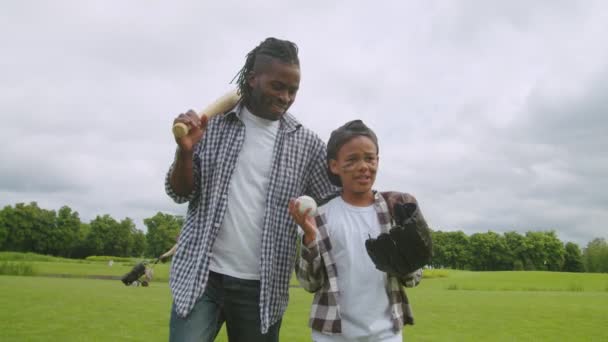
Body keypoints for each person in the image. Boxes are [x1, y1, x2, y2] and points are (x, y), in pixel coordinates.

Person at [165, 37, 337, 342]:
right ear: (253, 79)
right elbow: (180, 192)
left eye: (293, 90)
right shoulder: (213, 126)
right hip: (201, 279)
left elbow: (337, 199)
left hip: (262, 289)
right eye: (277, 86)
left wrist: (380, 202)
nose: (285, 97)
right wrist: (186, 152)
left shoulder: (307, 144)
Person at [289, 120, 425, 341]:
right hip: (331, 336)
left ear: (377, 161)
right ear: (334, 165)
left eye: (370, 158)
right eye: (352, 160)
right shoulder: (320, 217)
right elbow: (309, 283)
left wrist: (408, 248)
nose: (364, 166)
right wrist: (310, 237)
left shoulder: (394, 211)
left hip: (386, 334)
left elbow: (413, 279)